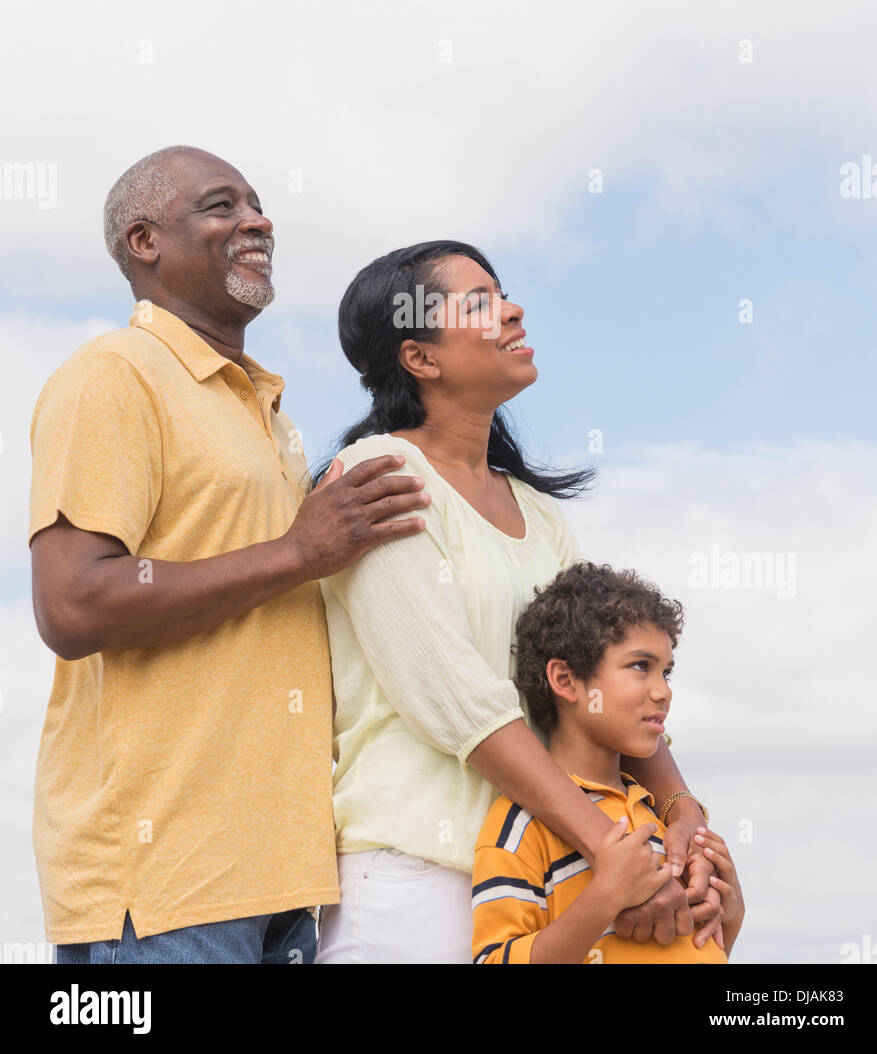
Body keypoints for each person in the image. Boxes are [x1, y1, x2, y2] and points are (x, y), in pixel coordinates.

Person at [28, 145, 430, 964]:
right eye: (222, 206)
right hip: (165, 889)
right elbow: (71, 607)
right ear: (145, 242)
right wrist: (296, 551)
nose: (258, 221)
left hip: (285, 885)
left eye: (257, 203)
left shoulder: (261, 404)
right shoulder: (115, 374)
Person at [314, 240, 723, 963]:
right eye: (479, 303)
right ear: (421, 358)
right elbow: (460, 699)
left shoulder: (539, 513)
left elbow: (603, 678)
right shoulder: (377, 475)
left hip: (547, 876)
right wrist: (615, 852)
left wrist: (680, 814)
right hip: (418, 879)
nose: (514, 309)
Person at [472, 561, 745, 963]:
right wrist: (605, 899)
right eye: (640, 667)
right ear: (565, 680)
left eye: (666, 672)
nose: (663, 692)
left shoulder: (666, 820)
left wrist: (731, 917)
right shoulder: (521, 824)